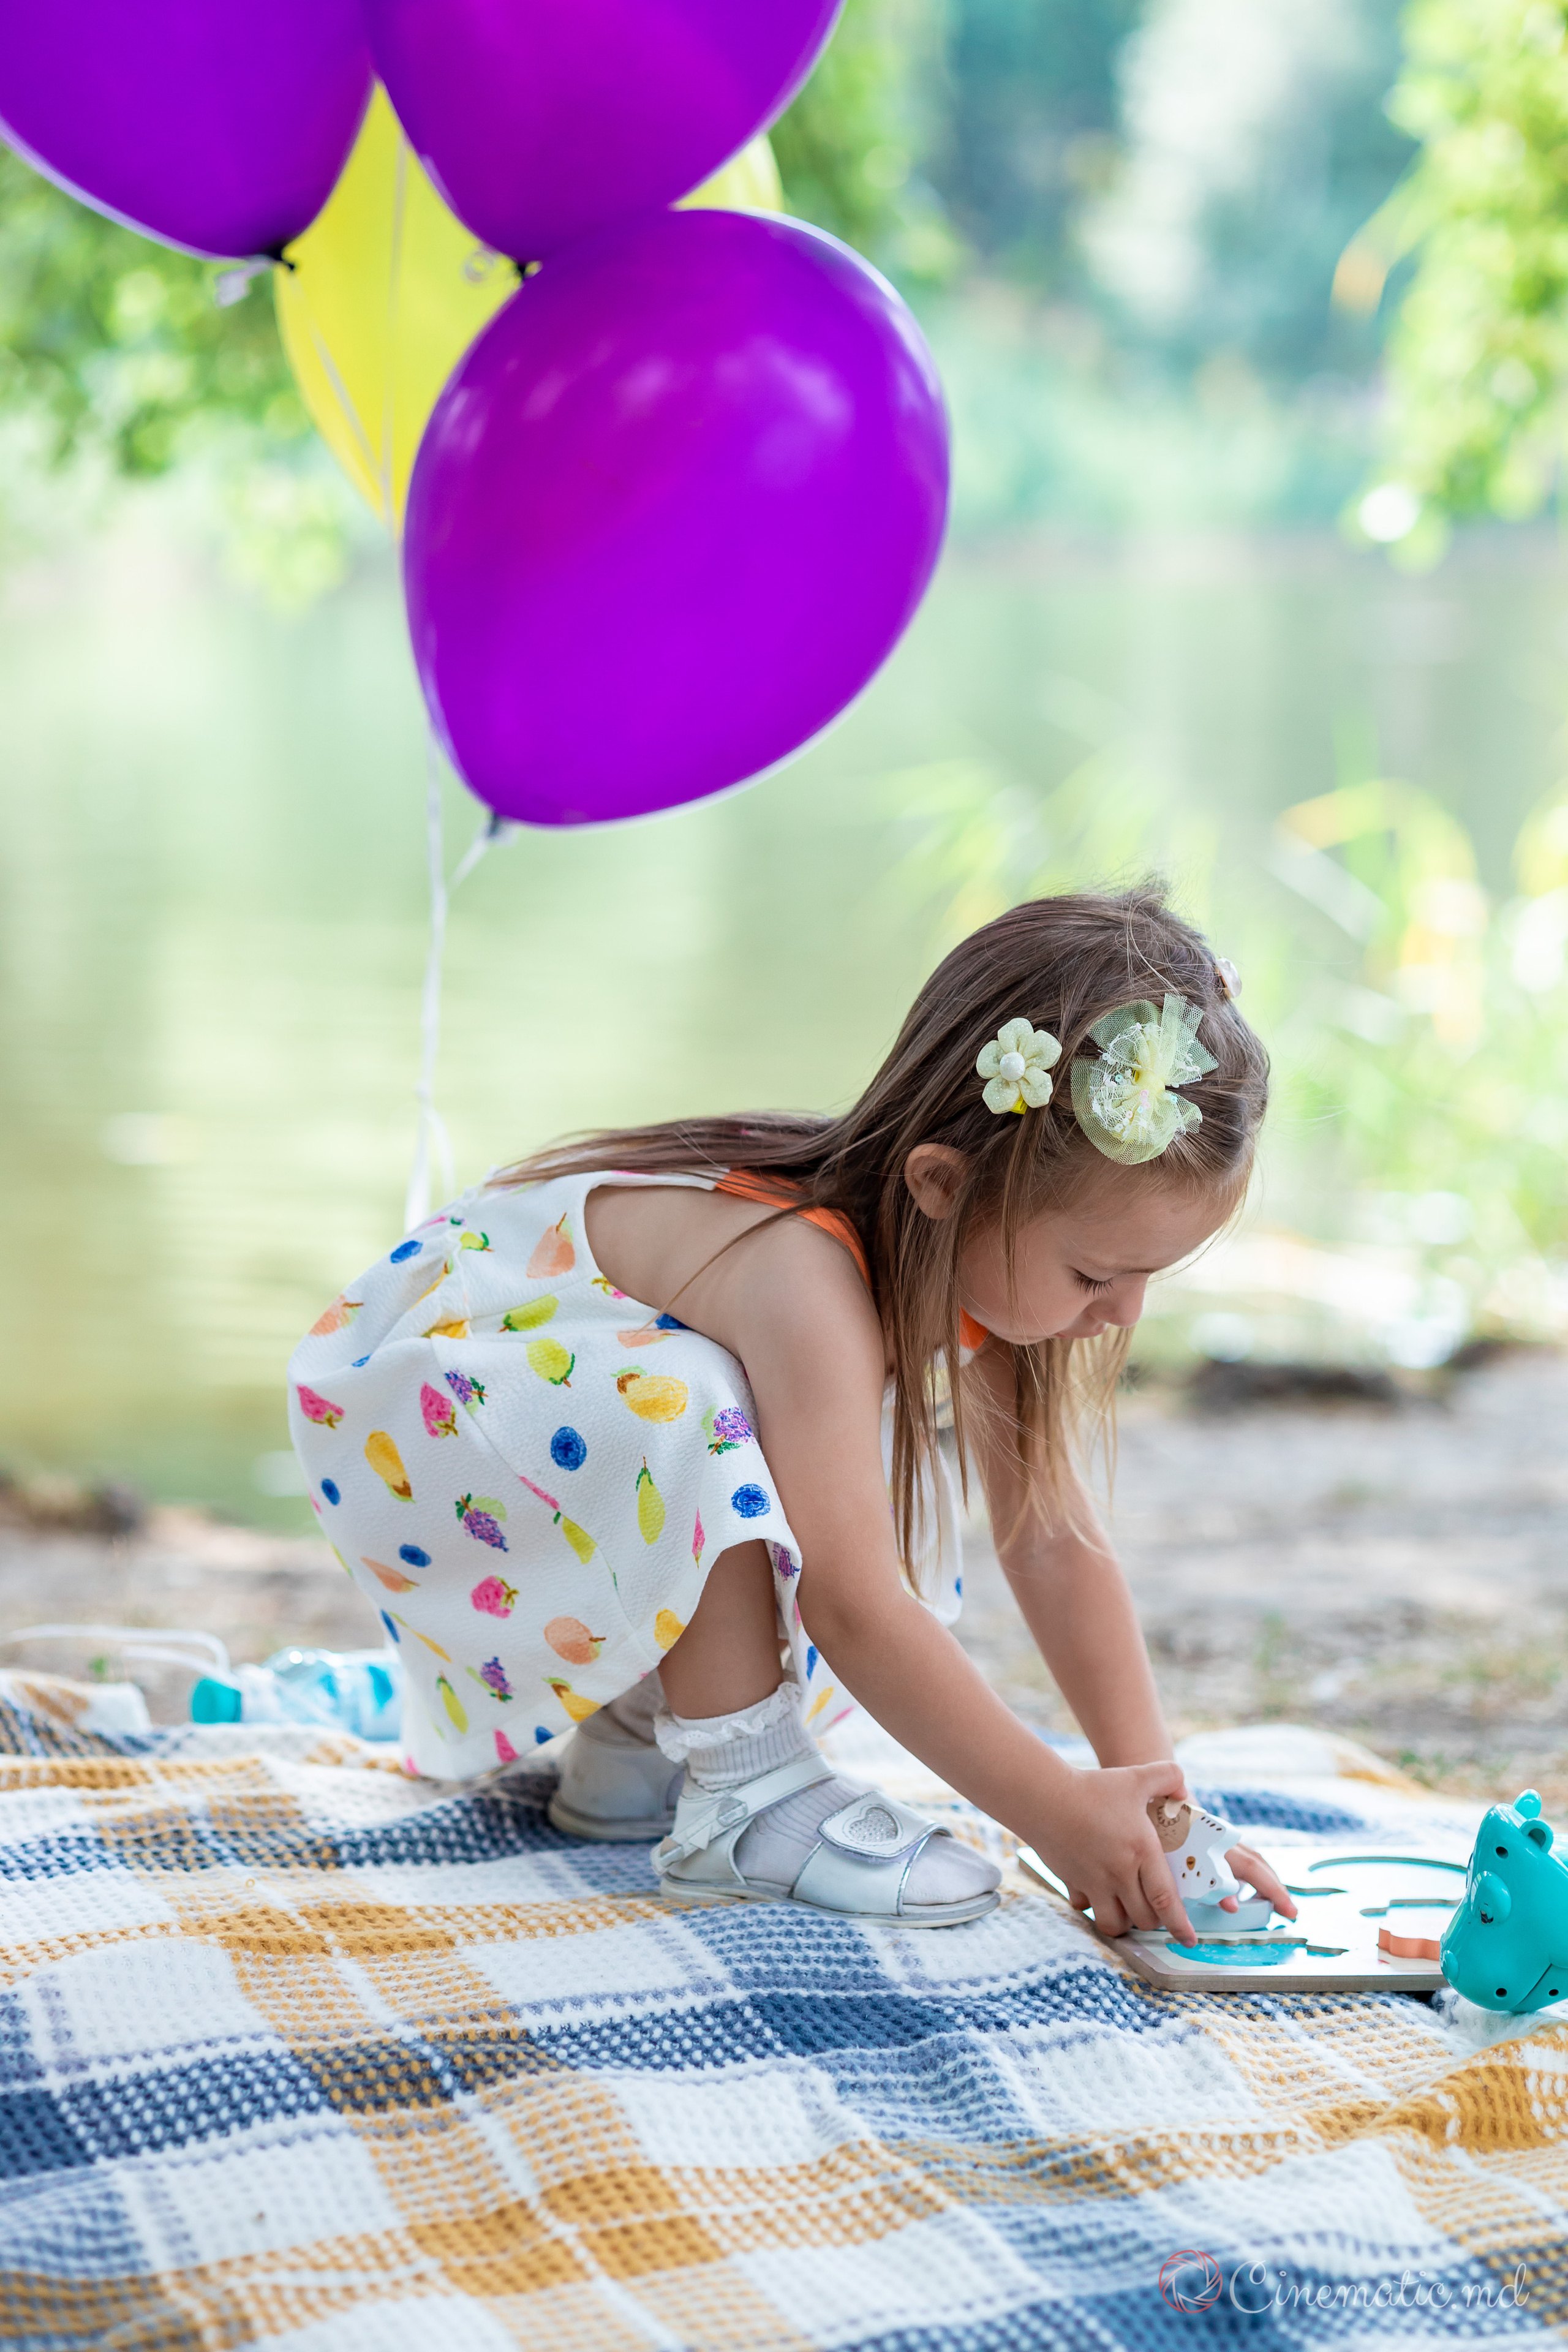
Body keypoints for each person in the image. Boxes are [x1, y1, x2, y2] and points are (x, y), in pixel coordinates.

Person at [289, 884, 1297, 1939]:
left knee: (794, 1454)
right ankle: (746, 1794)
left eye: (1148, 1278)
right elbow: (852, 1600)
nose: (1124, 1313)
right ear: (944, 1184)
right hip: (424, 1435)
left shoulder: (990, 1263)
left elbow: (1053, 1540)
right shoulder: (803, 1273)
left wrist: (1157, 1813)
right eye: (1097, 1273)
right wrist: (1052, 1813)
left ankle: (637, 1743)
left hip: (537, 1459)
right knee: (695, 1404)